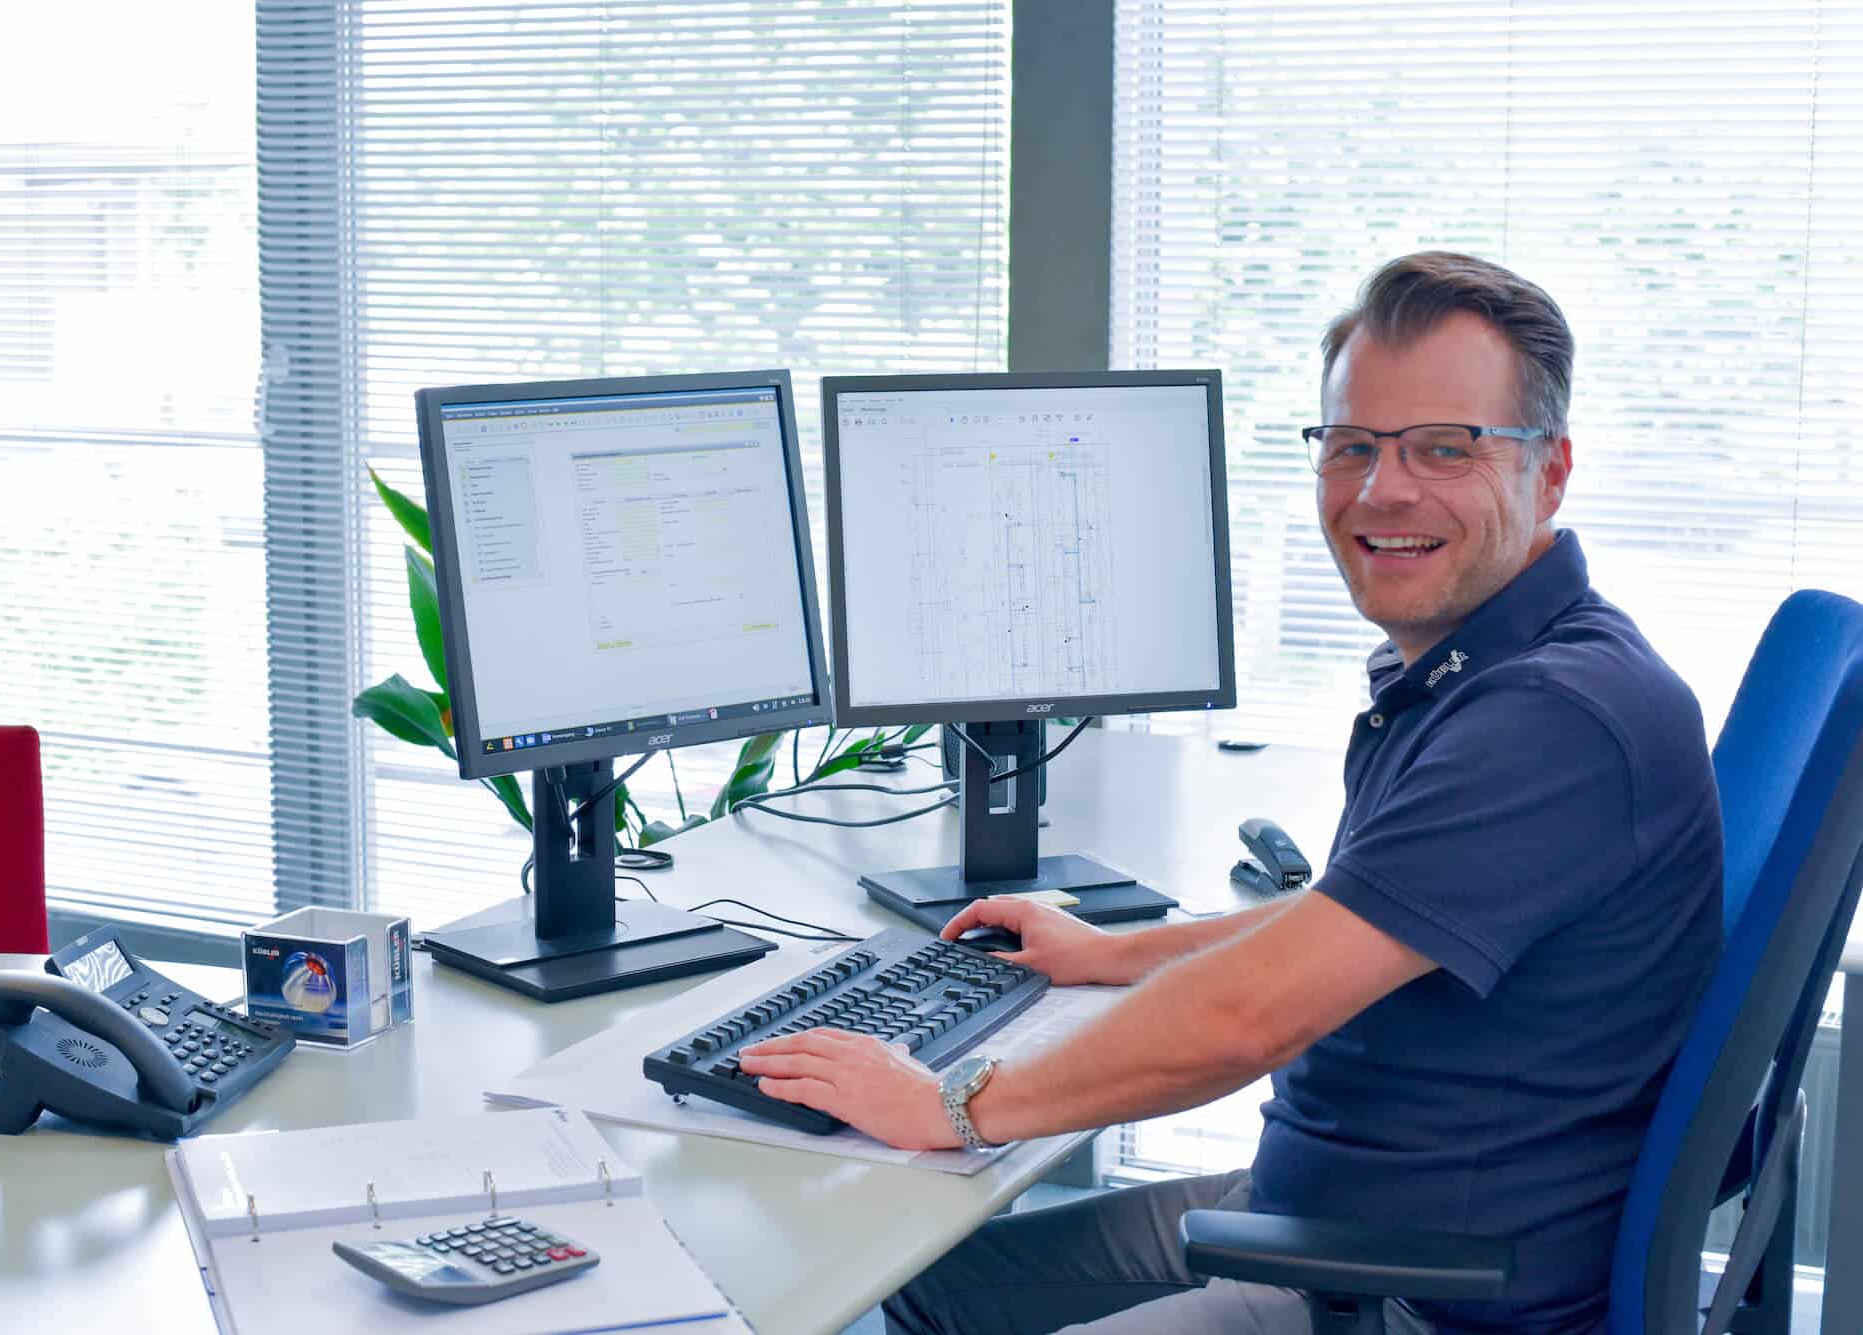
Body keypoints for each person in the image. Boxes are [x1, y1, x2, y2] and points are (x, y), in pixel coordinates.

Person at [739, 251, 1724, 1335]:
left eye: (1443, 449)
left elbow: (1241, 1022)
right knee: (916, 1288)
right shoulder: (1489, 669)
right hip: (1334, 1214)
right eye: (1350, 447)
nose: (1380, 490)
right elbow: (1346, 924)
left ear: (1549, 471)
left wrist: (944, 1105)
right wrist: (1115, 954)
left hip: (1414, 1290)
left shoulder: (1548, 720)